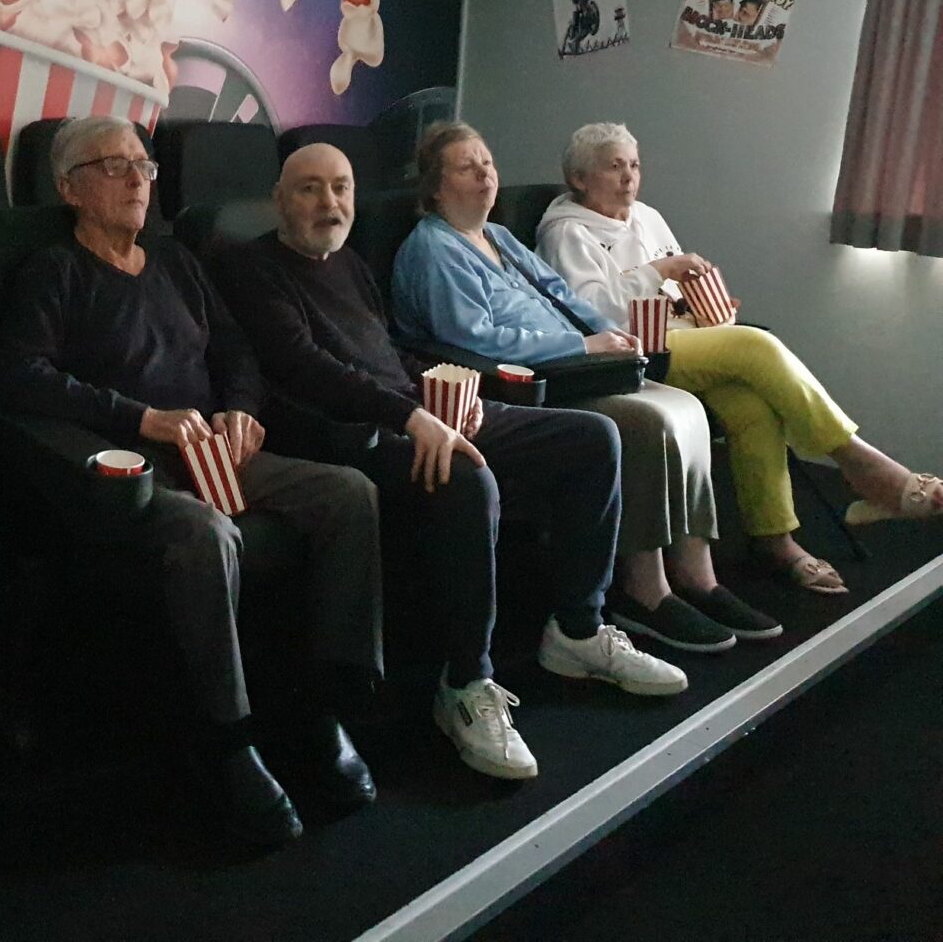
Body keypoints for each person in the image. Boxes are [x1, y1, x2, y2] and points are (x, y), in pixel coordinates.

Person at [216, 143, 688, 782]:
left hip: (416, 412)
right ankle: (466, 684)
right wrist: (414, 416)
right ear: (279, 200)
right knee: (469, 480)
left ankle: (577, 631)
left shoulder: (350, 264)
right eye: (309, 188)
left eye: (341, 187)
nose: (329, 202)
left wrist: (448, 393)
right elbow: (307, 368)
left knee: (594, 438)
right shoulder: (252, 267)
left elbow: (390, 354)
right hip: (346, 433)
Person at [0, 116, 381, 847]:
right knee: (208, 534)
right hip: (127, 470)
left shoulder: (175, 261)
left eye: (144, 165)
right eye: (115, 166)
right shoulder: (53, 272)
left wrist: (240, 408)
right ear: (69, 188)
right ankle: (228, 743)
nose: (139, 179)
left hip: (215, 451)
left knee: (348, 494)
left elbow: (236, 351)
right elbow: (20, 377)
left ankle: (324, 704)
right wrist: (143, 419)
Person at [393, 121, 782, 655]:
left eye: (487, 162)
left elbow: (560, 292)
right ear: (436, 188)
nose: (485, 174)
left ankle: (698, 574)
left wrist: (609, 335)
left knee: (687, 407)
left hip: (581, 365)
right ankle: (645, 589)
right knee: (650, 421)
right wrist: (583, 347)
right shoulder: (433, 250)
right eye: (467, 167)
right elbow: (475, 339)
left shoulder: (498, 237)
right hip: (530, 382)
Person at [535, 122, 942, 590]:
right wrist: (660, 270)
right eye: (614, 166)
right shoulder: (566, 232)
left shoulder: (646, 216)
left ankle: (776, 539)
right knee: (755, 345)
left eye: (635, 165)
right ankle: (864, 466)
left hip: (683, 335)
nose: (629, 177)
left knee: (752, 407)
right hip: (630, 348)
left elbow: (674, 290)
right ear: (579, 178)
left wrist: (703, 303)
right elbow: (592, 313)